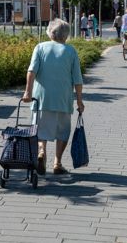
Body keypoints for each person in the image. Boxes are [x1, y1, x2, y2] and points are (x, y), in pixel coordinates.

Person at [22, 18, 85, 175]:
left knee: (40, 130)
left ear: (51, 32)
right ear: (66, 35)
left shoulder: (40, 47)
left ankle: (41, 152)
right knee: (63, 131)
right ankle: (57, 163)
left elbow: (31, 71)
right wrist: (79, 101)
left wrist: (27, 92)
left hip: (41, 98)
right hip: (63, 99)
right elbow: (77, 79)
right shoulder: (71, 51)